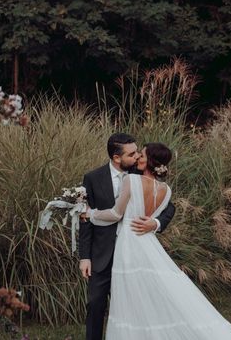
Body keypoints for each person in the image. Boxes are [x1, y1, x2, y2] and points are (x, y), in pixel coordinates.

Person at [83, 142, 231, 339]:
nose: (138, 157)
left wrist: (90, 213)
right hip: (147, 244)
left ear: (150, 161)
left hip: (128, 243)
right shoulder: (165, 189)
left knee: (129, 296)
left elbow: (116, 214)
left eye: (142, 155)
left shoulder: (130, 181)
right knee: (147, 294)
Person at [78, 133, 176, 340]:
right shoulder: (92, 178)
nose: (137, 156)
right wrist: (84, 256)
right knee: (95, 303)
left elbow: (169, 206)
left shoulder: (140, 172)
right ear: (116, 157)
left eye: (139, 153)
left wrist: (156, 223)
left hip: (134, 251)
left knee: (136, 304)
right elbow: (83, 218)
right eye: (132, 154)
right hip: (102, 251)